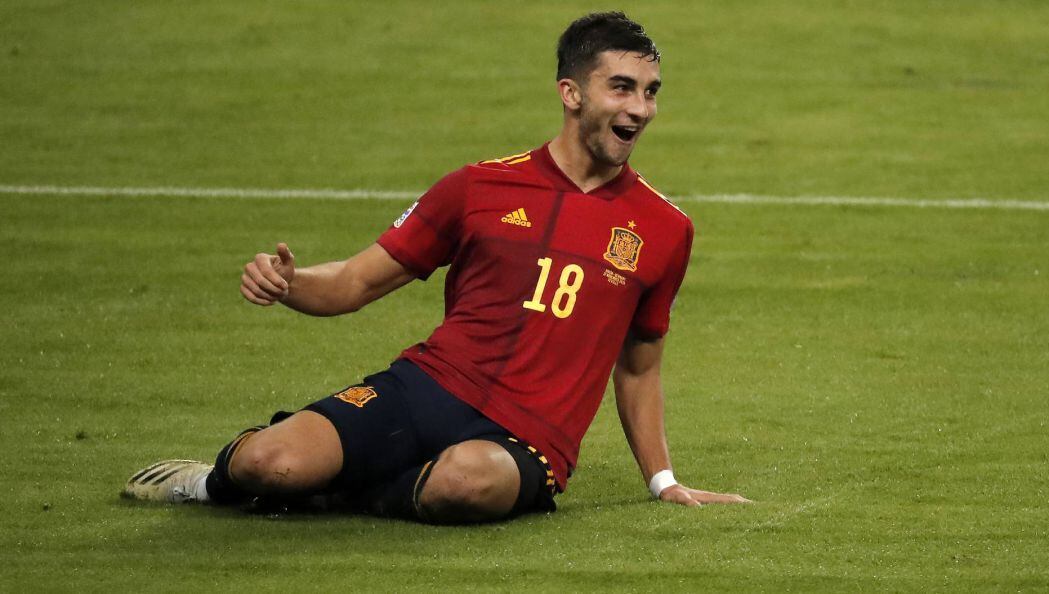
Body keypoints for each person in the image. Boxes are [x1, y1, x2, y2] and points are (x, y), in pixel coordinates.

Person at [123, 11, 750, 523]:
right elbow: (356, 281)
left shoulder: (665, 229)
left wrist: (663, 481)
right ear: (571, 92)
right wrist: (289, 283)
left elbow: (639, 369)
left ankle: (345, 492)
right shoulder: (477, 188)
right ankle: (206, 482)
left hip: (526, 440)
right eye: (622, 87)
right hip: (426, 390)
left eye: (650, 92)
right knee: (271, 462)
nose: (640, 109)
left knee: (466, 482)